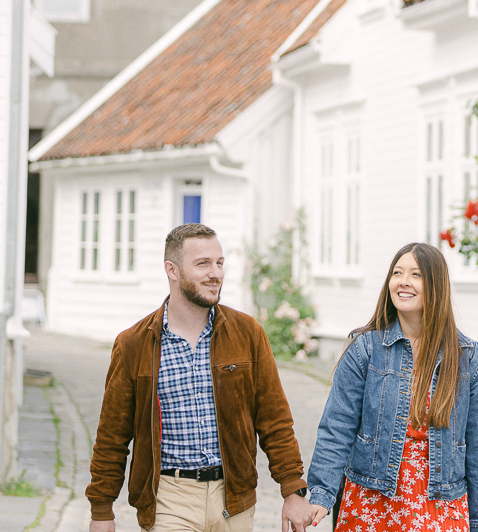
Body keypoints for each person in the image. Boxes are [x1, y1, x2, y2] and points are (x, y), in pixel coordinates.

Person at [85, 223, 316, 532]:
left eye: (219, 263)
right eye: (203, 264)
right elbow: (112, 435)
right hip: (169, 497)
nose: (215, 273)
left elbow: (274, 420)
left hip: (234, 498)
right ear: (172, 270)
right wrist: (102, 511)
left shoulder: (247, 334)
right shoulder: (134, 344)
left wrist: (293, 490)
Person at [305, 242, 478, 532]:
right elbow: (337, 426)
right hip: (372, 501)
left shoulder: (467, 358)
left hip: (440, 506)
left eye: (416, 274)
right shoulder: (365, 349)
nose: (404, 281)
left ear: (437, 286)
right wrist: (322, 492)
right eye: (397, 272)